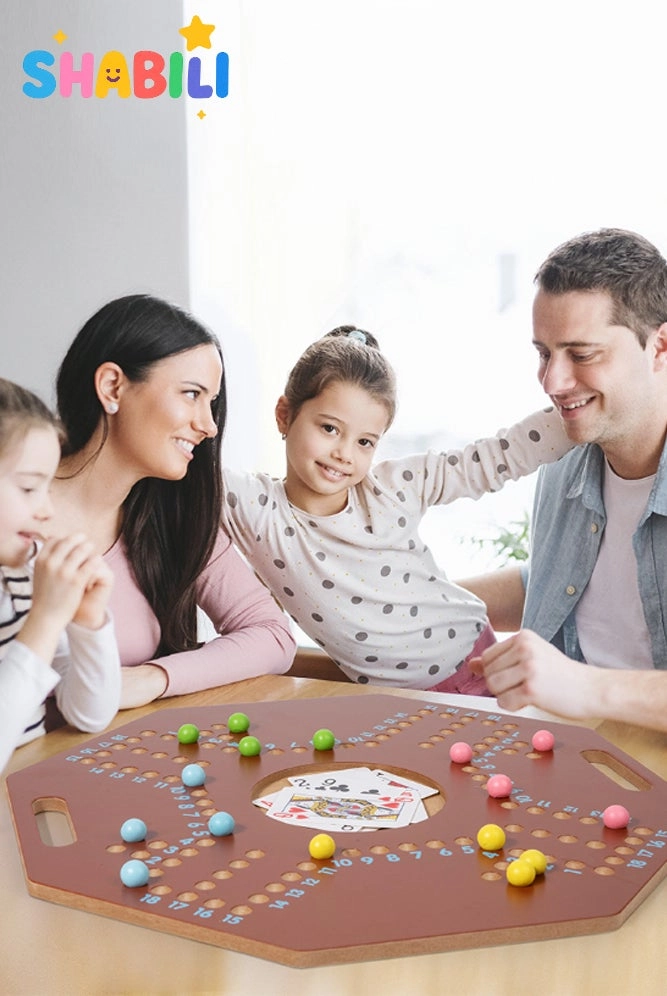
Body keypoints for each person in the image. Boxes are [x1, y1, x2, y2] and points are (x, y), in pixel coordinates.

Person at [222, 326, 572, 692]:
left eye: (364, 442)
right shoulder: (253, 506)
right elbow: (182, 469)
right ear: (284, 414)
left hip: (479, 661)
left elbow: (495, 456)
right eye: (329, 428)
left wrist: (585, 409)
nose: (344, 453)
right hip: (398, 694)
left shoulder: (391, 488)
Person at [50, 294, 296, 709]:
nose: (209, 426)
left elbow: (272, 634)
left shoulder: (172, 517)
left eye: (211, 402)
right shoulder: (15, 513)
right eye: (191, 394)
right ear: (112, 386)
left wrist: (153, 679)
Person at [465, 228, 667, 733]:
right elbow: (559, 587)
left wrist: (583, 686)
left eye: (581, 354)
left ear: (660, 346)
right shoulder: (564, 456)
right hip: (560, 752)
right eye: (543, 353)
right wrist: (413, 603)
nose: (553, 382)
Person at [0, 378, 120, 772]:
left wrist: (87, 622)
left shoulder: (23, 571)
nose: (47, 510)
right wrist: (46, 620)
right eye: (30, 488)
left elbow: (90, 715)